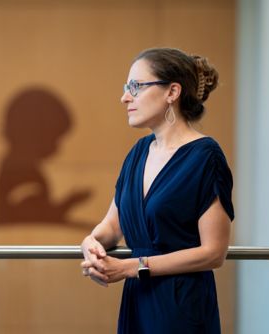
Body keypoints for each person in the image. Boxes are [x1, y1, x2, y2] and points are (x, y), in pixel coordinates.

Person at [80, 47, 234, 333]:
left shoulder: (206, 157)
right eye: (127, 88)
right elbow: (112, 226)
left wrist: (129, 267)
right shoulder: (138, 152)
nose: (125, 97)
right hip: (139, 297)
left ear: (172, 92)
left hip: (181, 302)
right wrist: (91, 241)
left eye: (136, 87)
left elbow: (214, 252)